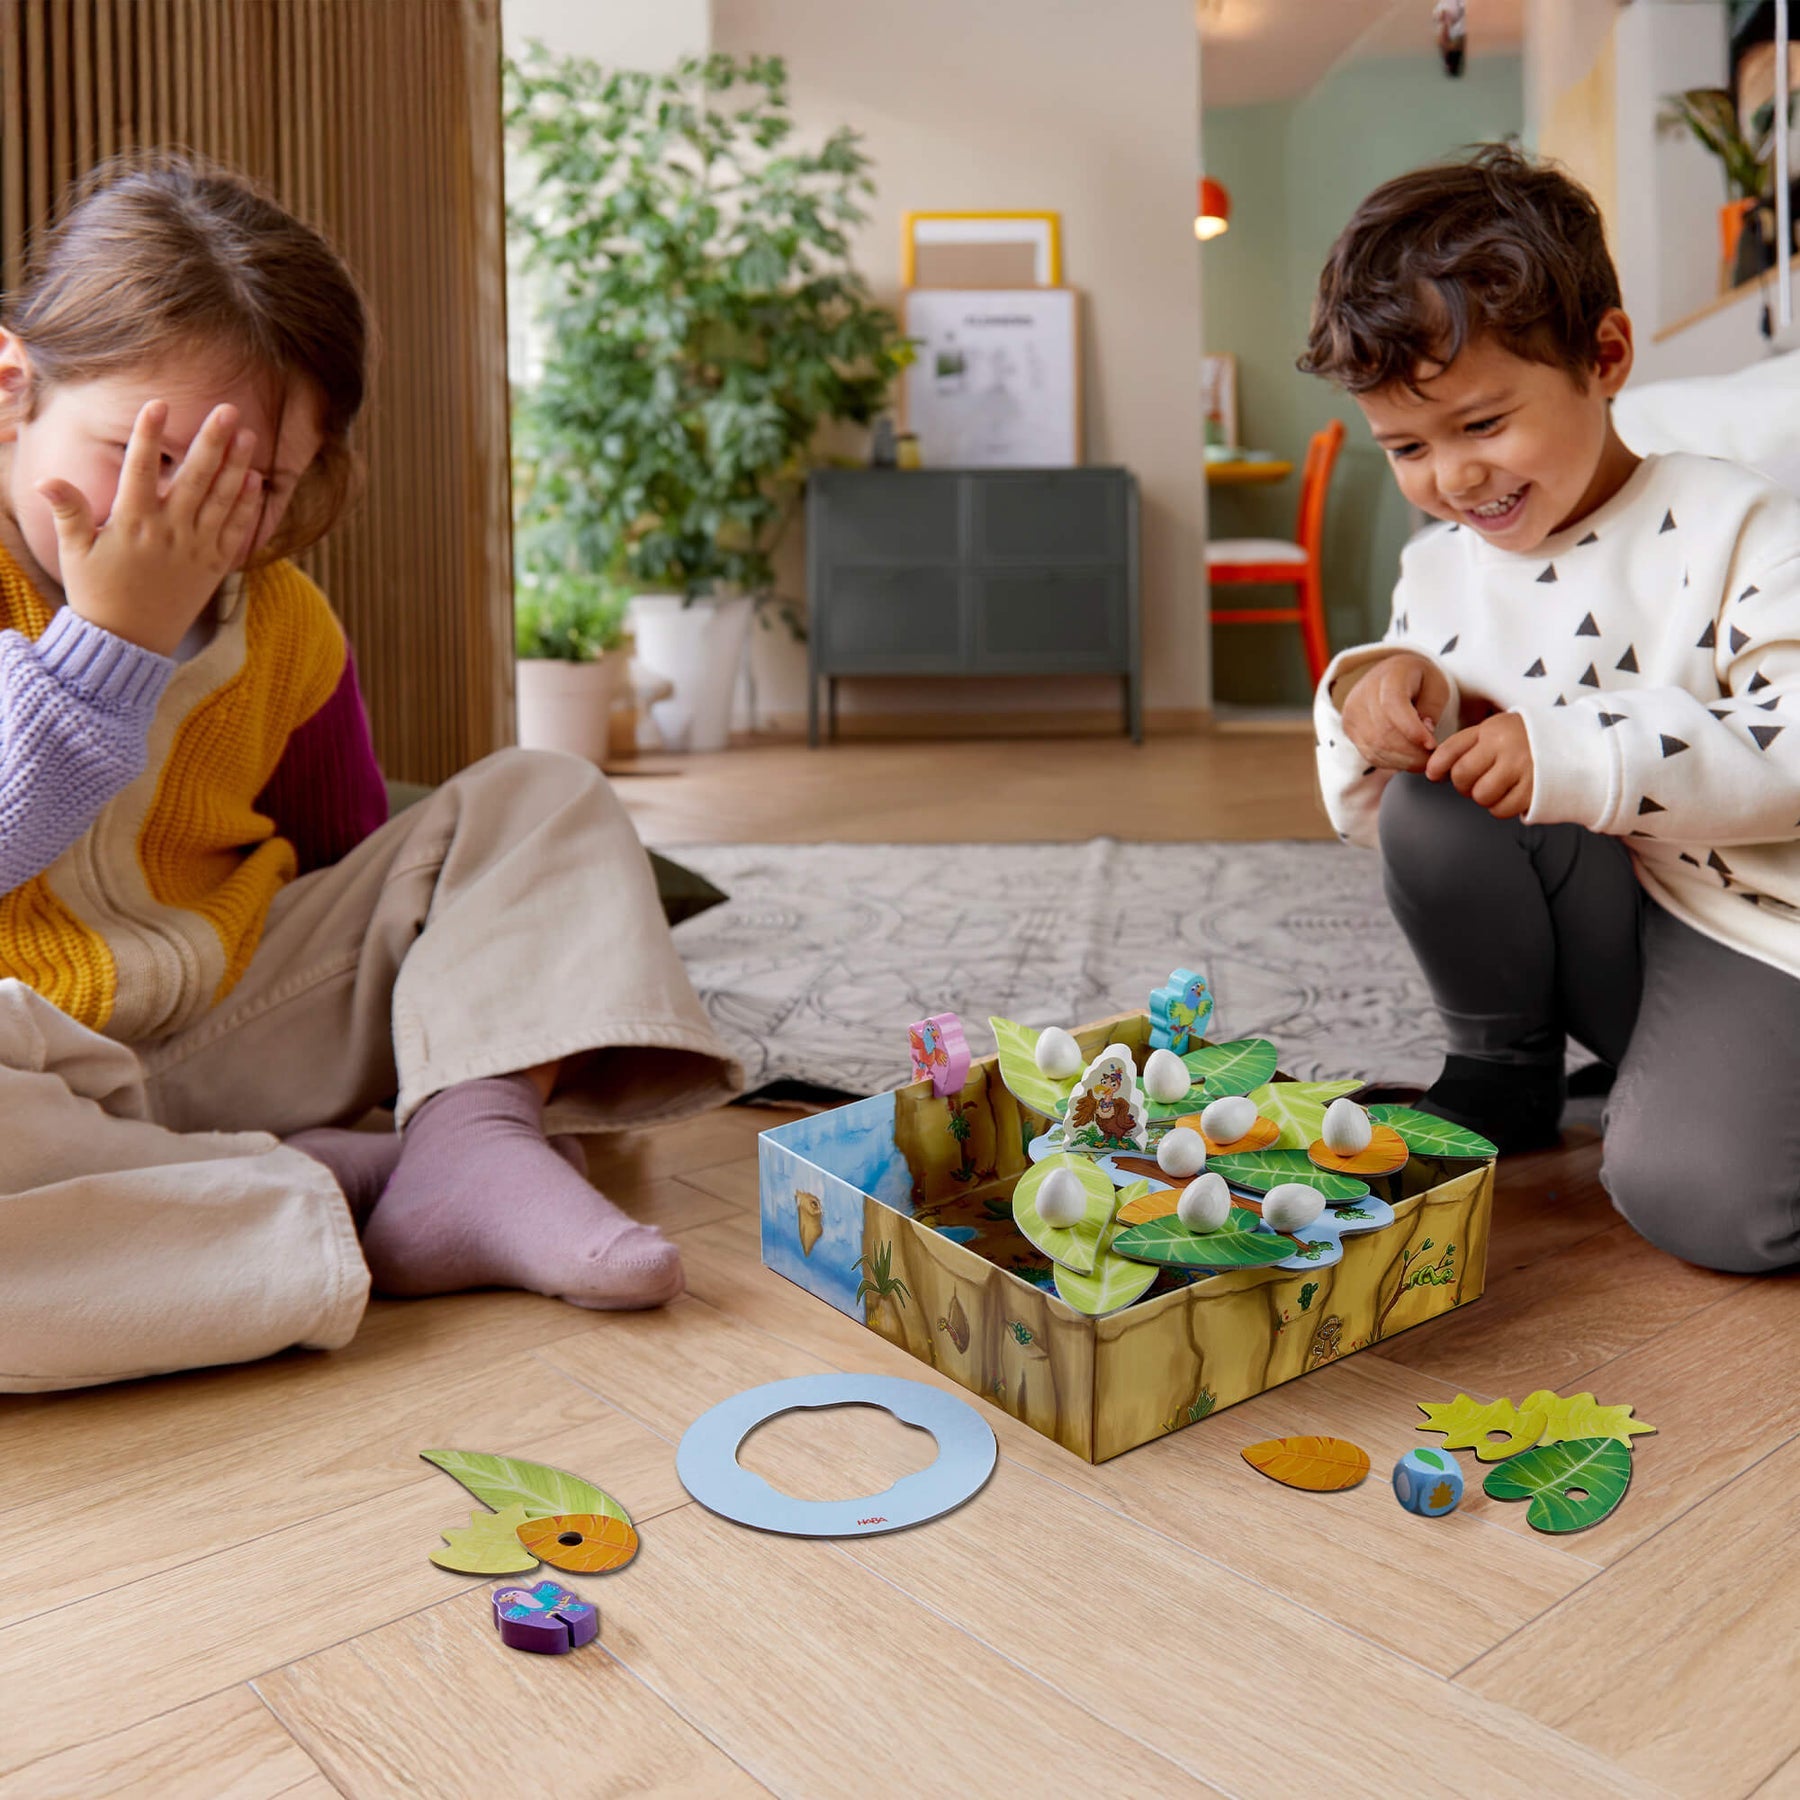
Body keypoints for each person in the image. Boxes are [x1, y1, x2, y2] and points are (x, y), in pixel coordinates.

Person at [0, 151, 741, 1391]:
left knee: (535, 797)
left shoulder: (284, 625)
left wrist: (487, 992)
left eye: (255, 486)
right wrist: (106, 648)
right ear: (12, 390)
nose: (186, 521)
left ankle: (469, 1136)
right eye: (146, 458)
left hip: (235, 1028)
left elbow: (359, 855)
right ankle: (317, 1190)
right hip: (29, 1078)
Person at [1302, 144, 1800, 1274]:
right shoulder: (1439, 568)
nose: (1453, 480)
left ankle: (1703, 1100)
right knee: (1434, 802)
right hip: (1627, 924)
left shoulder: (1744, 527)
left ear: (1605, 356)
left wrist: (1581, 751)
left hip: (1766, 933)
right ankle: (1506, 1065)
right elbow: (1394, 798)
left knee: (1703, 1203)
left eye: (1482, 426)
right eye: (1407, 448)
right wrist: (1378, 697)